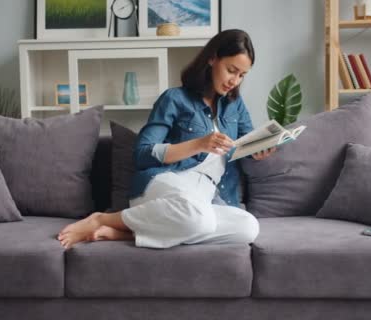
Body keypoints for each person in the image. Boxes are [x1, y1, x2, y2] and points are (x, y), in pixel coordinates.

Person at [58, 29, 275, 249]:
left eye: (242, 75)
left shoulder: (235, 105)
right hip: (167, 183)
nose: (235, 81)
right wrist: (199, 144)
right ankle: (103, 219)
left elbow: (246, 144)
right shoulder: (175, 98)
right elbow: (143, 153)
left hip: (208, 193)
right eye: (231, 70)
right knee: (198, 218)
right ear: (212, 58)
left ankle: (125, 234)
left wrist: (259, 151)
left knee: (248, 227)